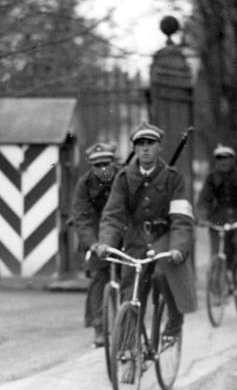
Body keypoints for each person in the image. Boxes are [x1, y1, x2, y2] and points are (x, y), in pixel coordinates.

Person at [94, 121, 197, 345]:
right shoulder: (123, 179)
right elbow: (113, 214)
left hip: (163, 238)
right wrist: (105, 242)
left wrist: (178, 247)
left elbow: (181, 217)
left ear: (159, 146)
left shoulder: (173, 178)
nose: (145, 148)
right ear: (134, 148)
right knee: (130, 292)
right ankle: (130, 346)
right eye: (140, 144)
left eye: (150, 143)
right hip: (136, 241)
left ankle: (174, 321)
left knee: (163, 275)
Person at [71, 142, 119, 348]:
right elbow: (81, 217)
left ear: (113, 163)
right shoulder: (84, 185)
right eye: (97, 165)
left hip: (122, 233)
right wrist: (92, 243)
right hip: (96, 237)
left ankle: (128, 322)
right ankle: (99, 327)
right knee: (98, 279)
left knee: (131, 277)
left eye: (106, 164)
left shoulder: (124, 178)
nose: (102, 169)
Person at [195, 144, 237, 285]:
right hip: (219, 218)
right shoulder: (211, 178)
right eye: (219, 158)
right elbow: (204, 200)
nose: (223, 162)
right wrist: (202, 218)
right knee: (217, 251)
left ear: (232, 159)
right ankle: (217, 286)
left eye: (226, 158)